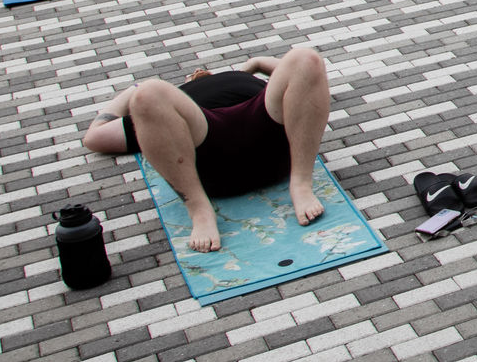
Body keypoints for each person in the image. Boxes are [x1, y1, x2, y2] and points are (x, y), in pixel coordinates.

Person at [80, 47, 332, 253]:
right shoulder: (171, 102)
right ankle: (200, 211)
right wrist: (135, 93)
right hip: (209, 149)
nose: (199, 71)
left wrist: (252, 64)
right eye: (193, 74)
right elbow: (95, 137)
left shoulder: (245, 78)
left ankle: (301, 183)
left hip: (268, 134)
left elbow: (308, 75)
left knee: (306, 57)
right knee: (148, 93)